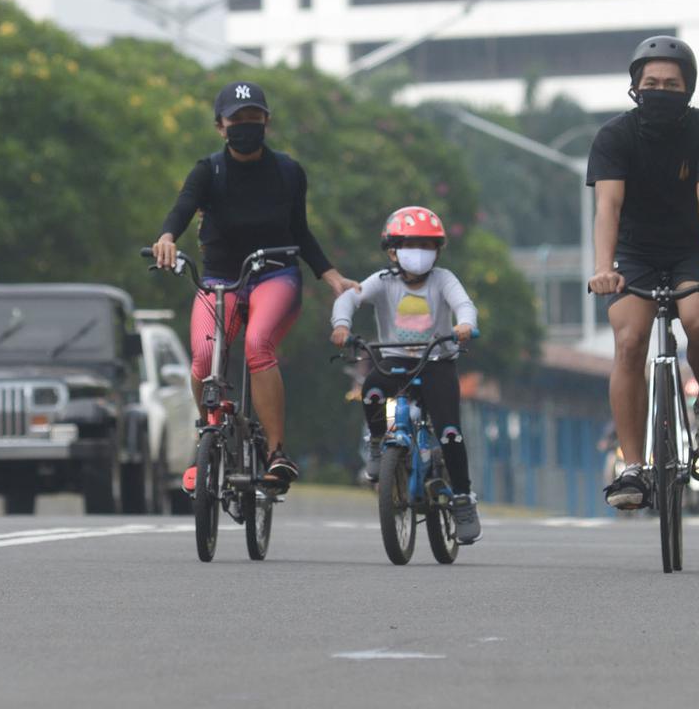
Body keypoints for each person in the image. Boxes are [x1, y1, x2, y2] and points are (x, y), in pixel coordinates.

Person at [153, 81, 357, 492]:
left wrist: (330, 275)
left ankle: (277, 452)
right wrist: (167, 237)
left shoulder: (287, 172)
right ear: (220, 126)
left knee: (258, 343)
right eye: (236, 119)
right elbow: (181, 209)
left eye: (253, 118)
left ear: (266, 121)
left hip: (274, 274)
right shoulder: (207, 170)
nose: (245, 126)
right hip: (219, 279)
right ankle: (207, 435)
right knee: (205, 353)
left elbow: (300, 230)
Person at [586, 35, 699, 510]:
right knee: (629, 341)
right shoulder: (614, 136)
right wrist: (602, 269)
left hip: (694, 252)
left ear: (687, 89)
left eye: (670, 84)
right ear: (634, 87)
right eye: (650, 82)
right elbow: (607, 209)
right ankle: (632, 467)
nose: (659, 90)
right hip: (634, 255)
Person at [330, 206, 482, 544]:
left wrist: (465, 325)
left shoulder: (444, 279)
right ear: (392, 250)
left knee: (451, 434)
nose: (421, 253)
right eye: (412, 244)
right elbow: (348, 300)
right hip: (393, 363)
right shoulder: (383, 282)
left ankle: (462, 498)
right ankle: (376, 443)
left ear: (438, 251)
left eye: (429, 246)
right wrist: (341, 326)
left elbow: (464, 304)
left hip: (437, 363)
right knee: (371, 392)